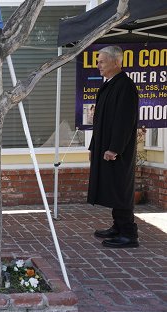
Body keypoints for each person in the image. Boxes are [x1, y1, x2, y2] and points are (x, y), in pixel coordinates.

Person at [87, 45, 139, 248]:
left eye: (102, 61)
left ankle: (129, 234)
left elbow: (125, 121)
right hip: (105, 147)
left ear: (117, 62)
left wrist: (114, 148)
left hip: (118, 151)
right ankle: (118, 226)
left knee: (120, 189)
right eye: (98, 61)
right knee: (114, 187)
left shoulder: (125, 86)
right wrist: (94, 146)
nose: (98, 64)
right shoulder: (109, 84)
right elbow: (100, 121)